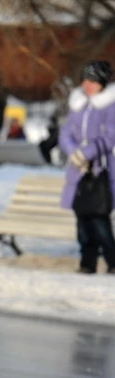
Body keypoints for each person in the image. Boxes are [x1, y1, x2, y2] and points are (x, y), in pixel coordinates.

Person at [59, 61, 115, 274]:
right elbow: (65, 133)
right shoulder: (78, 104)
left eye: (92, 81)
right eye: (85, 80)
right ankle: (87, 262)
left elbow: (110, 137)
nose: (87, 85)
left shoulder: (110, 106)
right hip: (78, 171)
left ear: (101, 83)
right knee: (82, 219)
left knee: (99, 218)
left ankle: (112, 260)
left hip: (100, 170)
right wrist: (73, 152)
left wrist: (87, 153)